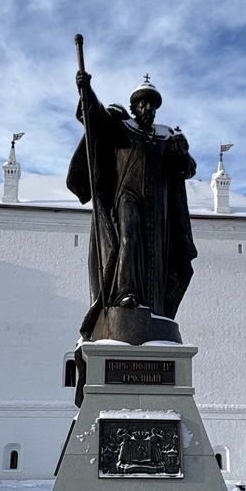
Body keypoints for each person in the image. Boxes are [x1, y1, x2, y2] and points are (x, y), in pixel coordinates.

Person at [67, 69, 197, 345]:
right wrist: (87, 92)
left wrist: (182, 152)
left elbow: (186, 170)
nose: (148, 108)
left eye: (152, 104)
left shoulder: (166, 138)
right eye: (142, 104)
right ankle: (126, 294)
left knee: (157, 257)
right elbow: (97, 118)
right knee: (128, 237)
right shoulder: (123, 128)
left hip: (158, 210)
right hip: (128, 196)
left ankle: (155, 307)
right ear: (134, 107)